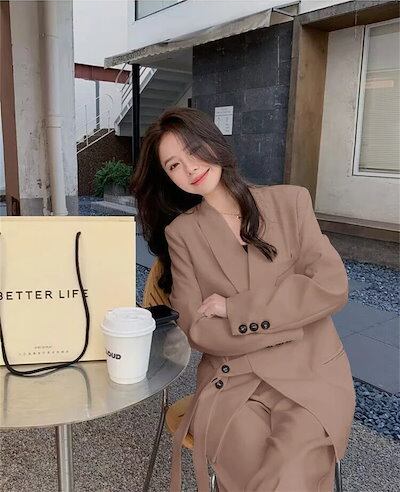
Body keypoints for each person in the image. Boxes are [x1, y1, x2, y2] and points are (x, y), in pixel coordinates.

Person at [130, 106, 356, 492]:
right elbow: (197, 328)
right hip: (233, 382)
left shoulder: (290, 203)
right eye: (174, 165)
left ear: (213, 142)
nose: (190, 168)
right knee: (253, 469)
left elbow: (331, 286)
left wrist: (235, 310)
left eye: (193, 149)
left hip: (311, 374)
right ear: (168, 177)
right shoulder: (182, 233)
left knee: (289, 472)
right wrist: (291, 321)